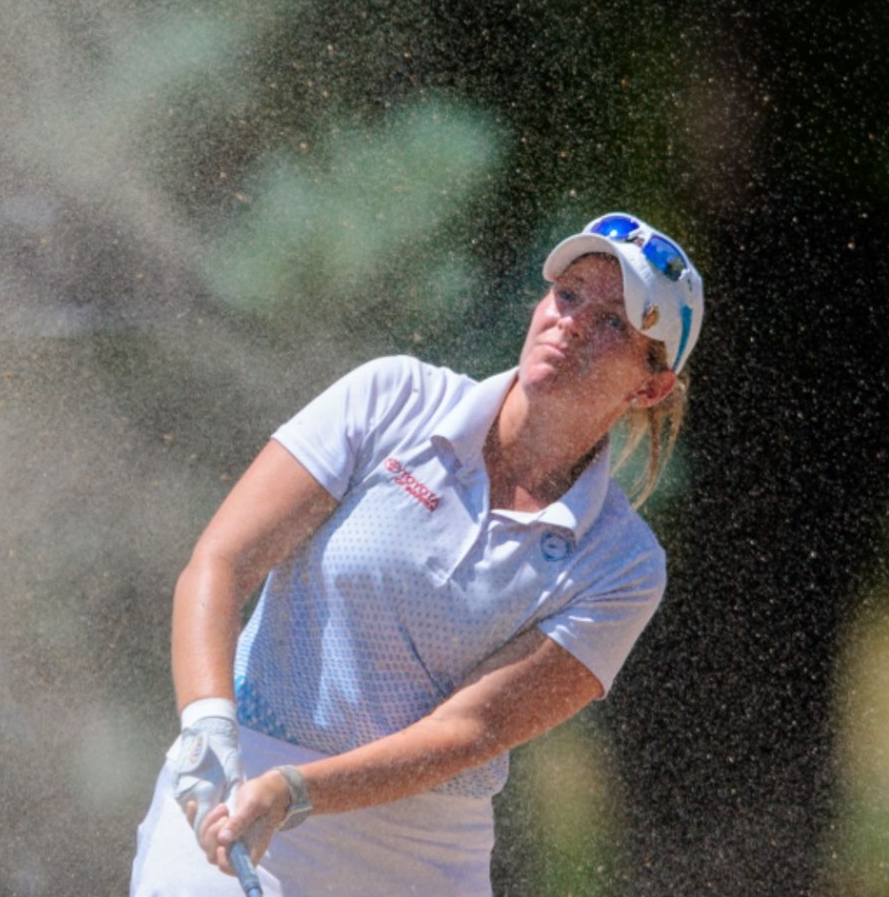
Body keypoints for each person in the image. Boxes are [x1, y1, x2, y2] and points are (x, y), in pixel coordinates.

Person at [130, 212, 704, 895]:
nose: (572, 322)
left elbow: (470, 730)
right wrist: (205, 726)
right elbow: (222, 563)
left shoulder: (622, 565)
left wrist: (296, 791)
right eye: (569, 293)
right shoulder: (392, 398)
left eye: (616, 323)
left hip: (419, 854)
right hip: (237, 789)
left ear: (650, 387)